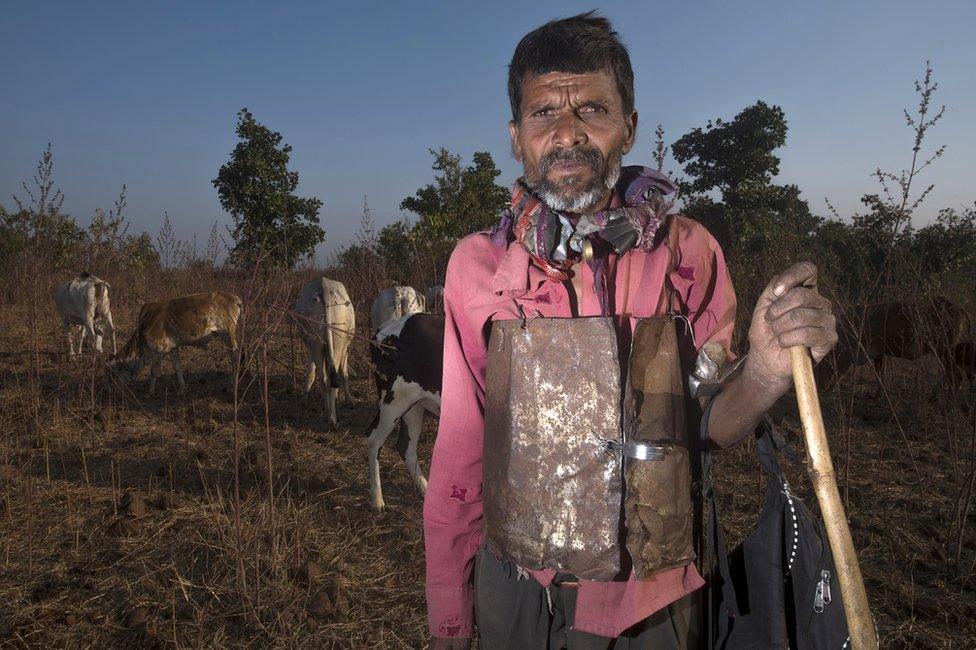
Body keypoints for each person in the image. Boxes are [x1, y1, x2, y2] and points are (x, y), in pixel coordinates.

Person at [424, 12, 837, 649]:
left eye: (592, 108)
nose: (567, 134)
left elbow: (710, 428)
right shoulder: (477, 267)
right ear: (515, 136)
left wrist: (763, 371)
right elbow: (460, 441)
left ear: (628, 126)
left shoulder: (688, 252)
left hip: (654, 598)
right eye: (543, 114)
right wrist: (450, 598)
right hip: (519, 591)